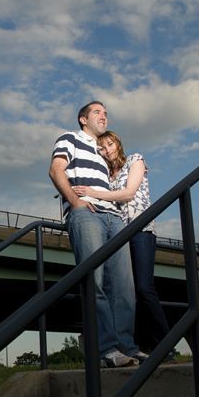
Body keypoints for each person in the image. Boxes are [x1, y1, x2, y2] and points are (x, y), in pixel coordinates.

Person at [49, 101, 139, 367]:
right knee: (95, 281)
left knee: (124, 287)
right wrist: (75, 203)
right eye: (97, 112)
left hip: (114, 218)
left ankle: (127, 347)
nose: (104, 116)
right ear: (83, 119)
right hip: (87, 215)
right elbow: (56, 170)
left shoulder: (103, 152)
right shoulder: (70, 139)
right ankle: (106, 350)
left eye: (106, 113)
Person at [73, 130, 173, 362]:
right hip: (119, 233)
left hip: (140, 229)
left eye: (110, 144)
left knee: (144, 288)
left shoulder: (135, 160)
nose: (107, 150)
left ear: (117, 143)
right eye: (102, 147)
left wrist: (92, 192)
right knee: (125, 292)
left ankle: (166, 346)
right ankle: (133, 346)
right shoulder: (106, 174)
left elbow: (128, 194)